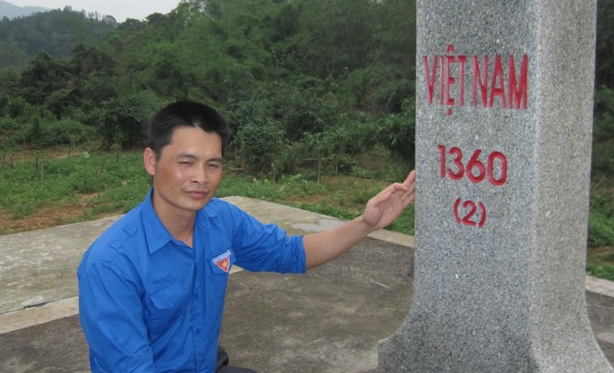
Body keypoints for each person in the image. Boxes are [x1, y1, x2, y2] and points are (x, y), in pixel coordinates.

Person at [77, 100, 416, 373]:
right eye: (186, 162)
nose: (201, 178)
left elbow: (292, 253)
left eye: (213, 165)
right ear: (151, 161)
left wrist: (366, 223)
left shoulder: (221, 220)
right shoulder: (110, 264)